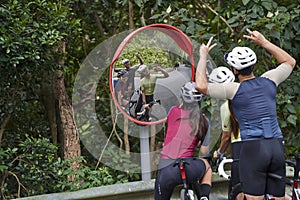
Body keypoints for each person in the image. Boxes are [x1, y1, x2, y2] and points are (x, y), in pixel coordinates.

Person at [195, 29, 296, 200]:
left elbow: (201, 86)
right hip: (276, 146)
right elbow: (290, 61)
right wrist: (264, 42)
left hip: (253, 149)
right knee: (279, 198)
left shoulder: (233, 89)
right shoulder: (270, 80)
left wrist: (203, 55)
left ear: (234, 70)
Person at [154, 82, 212, 200]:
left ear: (182, 98)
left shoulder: (173, 112)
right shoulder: (204, 120)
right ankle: (204, 197)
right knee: (207, 166)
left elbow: (181, 109)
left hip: (167, 169)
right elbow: (204, 151)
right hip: (189, 167)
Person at [209, 66, 243, 200]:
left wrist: (219, 152)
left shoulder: (226, 106)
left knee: (237, 191)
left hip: (241, 148)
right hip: (264, 143)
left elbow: (226, 136)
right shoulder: (247, 94)